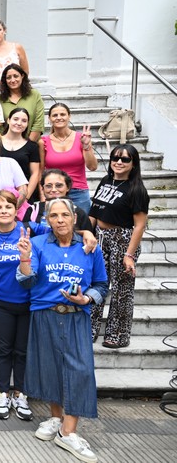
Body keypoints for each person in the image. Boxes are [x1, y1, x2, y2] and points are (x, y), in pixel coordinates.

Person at [16, 198, 108, 463]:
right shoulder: (36, 244)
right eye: (53, 215)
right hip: (44, 314)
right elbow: (27, 281)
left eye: (64, 215)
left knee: (80, 371)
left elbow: (101, 284)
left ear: (74, 217)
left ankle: (68, 433)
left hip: (76, 316)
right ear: (47, 220)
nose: (59, 220)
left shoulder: (91, 247)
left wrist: (86, 299)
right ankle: (56, 418)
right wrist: (24, 258)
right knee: (51, 368)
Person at [89, 144, 149, 349]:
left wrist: (129, 254)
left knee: (122, 290)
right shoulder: (105, 181)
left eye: (125, 159)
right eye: (116, 157)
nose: (119, 162)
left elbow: (140, 225)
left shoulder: (136, 189)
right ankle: (90, 329)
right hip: (100, 238)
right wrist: (88, 236)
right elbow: (93, 213)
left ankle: (118, 334)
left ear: (133, 164)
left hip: (122, 239)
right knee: (96, 283)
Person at [0, 190, 35, 422]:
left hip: (27, 301)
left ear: (16, 210)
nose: (3, 211)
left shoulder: (30, 229)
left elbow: (61, 229)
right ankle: (3, 393)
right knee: (3, 350)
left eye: (8, 207)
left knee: (22, 351)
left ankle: (20, 393)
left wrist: (85, 232)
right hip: (0, 302)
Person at [40, 103, 97, 213]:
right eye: (55, 115)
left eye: (62, 114)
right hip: (54, 192)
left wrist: (86, 146)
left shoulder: (81, 138)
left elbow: (93, 167)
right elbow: (41, 172)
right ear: (49, 119)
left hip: (78, 192)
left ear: (69, 116)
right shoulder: (44, 141)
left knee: (81, 227)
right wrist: (43, 196)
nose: (59, 118)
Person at [0, 107, 42, 203]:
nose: (19, 123)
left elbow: (35, 174)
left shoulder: (32, 146)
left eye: (24, 121)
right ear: (8, 120)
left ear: (27, 124)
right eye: (15, 119)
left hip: (24, 194)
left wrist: (25, 198)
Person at [0, 65, 44, 142]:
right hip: (6, 144)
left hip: (30, 144)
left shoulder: (34, 95)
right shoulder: (0, 99)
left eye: (16, 76)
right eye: (8, 77)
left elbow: (38, 124)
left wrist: (26, 146)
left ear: (22, 76)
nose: (12, 80)